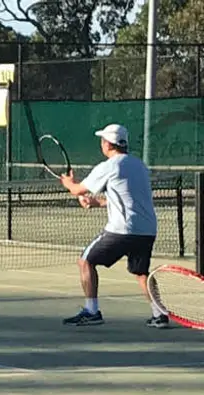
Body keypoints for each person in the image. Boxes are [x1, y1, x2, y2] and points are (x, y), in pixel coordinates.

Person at [57, 124, 173, 328]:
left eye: (102, 141)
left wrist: (69, 183)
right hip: (146, 230)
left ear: (107, 144)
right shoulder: (139, 165)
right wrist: (96, 202)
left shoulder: (109, 166)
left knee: (85, 261)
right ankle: (159, 314)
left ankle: (91, 311)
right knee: (141, 272)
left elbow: (77, 190)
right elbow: (129, 198)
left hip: (122, 230)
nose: (101, 144)